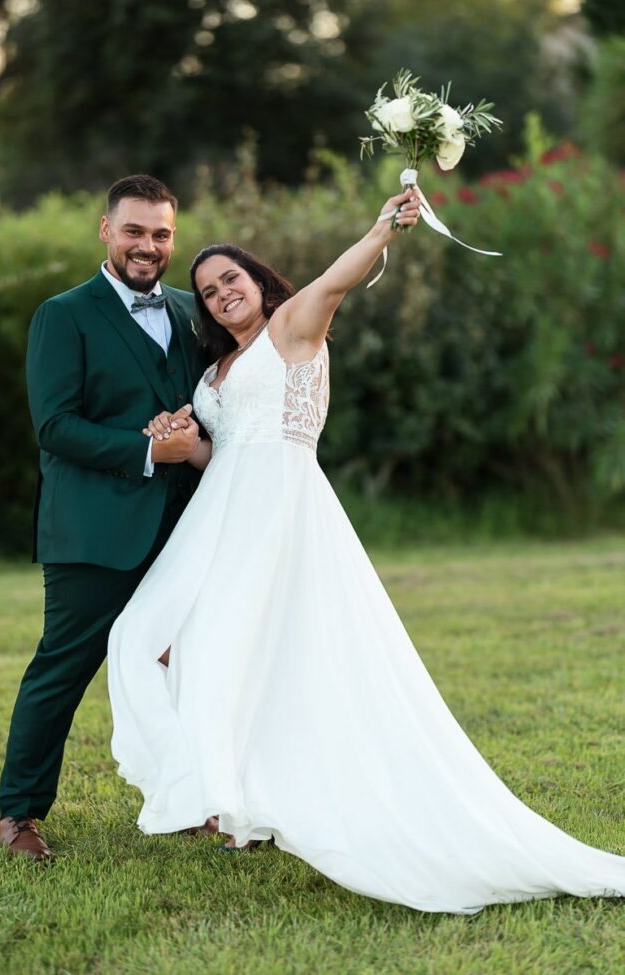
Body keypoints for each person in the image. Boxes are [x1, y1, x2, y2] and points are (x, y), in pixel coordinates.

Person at [107, 189, 625, 913]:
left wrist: (383, 228)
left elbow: (335, 280)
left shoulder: (294, 326)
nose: (222, 293)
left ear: (258, 280)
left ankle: (239, 801)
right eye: (208, 290)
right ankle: (224, 795)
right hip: (219, 516)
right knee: (150, 638)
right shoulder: (217, 369)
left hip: (278, 512)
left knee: (248, 649)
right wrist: (177, 441)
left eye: (231, 279)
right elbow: (211, 452)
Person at [0, 174, 216, 860]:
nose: (147, 246)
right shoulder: (63, 315)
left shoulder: (190, 309)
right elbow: (55, 425)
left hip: (186, 525)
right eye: (134, 230)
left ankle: (201, 800)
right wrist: (150, 449)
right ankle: (20, 813)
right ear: (105, 230)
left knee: (201, 663)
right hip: (93, 530)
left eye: (160, 234)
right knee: (62, 668)